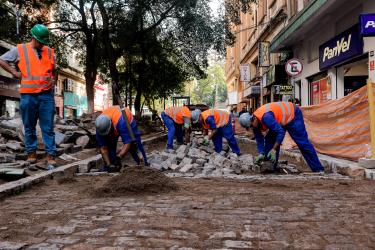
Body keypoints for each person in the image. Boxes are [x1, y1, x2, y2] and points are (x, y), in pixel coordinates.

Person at [0, 24, 56, 166]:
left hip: (46, 95)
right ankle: (31, 153)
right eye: (41, 41)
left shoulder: (49, 51)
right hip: (28, 95)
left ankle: (50, 156)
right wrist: (14, 73)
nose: (43, 44)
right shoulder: (20, 49)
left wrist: (53, 78)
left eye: (44, 42)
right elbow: (2, 59)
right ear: (34, 38)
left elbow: (53, 69)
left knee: (48, 127)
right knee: (29, 126)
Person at [239, 102, 324, 172]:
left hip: (292, 115)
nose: (252, 128)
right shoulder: (254, 123)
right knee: (269, 141)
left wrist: (274, 149)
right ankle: (271, 168)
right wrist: (261, 153)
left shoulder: (266, 117)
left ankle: (318, 169)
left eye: (251, 126)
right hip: (279, 120)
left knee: (302, 143)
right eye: (250, 127)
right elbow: (259, 140)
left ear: (253, 118)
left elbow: (280, 132)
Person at [95, 106, 149, 171]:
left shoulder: (122, 123)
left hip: (126, 119)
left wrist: (119, 157)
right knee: (110, 146)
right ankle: (112, 166)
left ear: (111, 125)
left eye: (109, 132)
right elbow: (103, 148)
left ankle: (144, 166)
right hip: (113, 121)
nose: (108, 135)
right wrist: (109, 164)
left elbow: (128, 142)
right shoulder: (100, 128)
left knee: (134, 144)